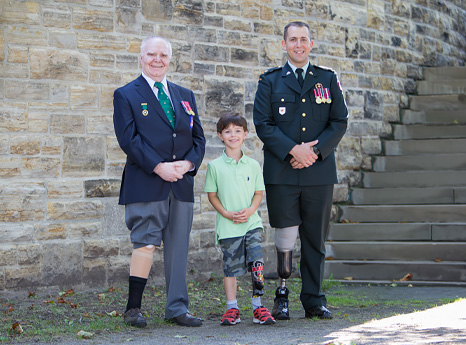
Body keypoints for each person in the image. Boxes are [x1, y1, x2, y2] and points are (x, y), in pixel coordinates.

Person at [253, 21, 348, 320]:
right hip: (282, 171)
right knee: (284, 234)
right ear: (283, 44)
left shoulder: (327, 79)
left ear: (310, 44)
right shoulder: (270, 81)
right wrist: (294, 150)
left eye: (303, 39)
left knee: (314, 238)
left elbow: (340, 122)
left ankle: (314, 300)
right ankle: (281, 296)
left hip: (318, 172)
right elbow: (262, 123)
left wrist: (314, 152)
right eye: (292, 39)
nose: (298, 44)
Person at [113, 36, 206, 328]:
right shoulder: (126, 94)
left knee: (178, 248)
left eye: (163, 55)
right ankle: (133, 308)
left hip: (181, 184)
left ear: (169, 59)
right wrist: (159, 167)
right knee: (145, 244)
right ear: (141, 58)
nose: (157, 60)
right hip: (146, 182)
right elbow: (129, 140)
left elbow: (199, 138)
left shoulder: (185, 94)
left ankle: (177, 308)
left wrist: (189, 163)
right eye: (151, 54)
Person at [204, 112, 276, 326]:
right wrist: (225, 213)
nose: (233, 135)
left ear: (245, 134)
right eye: (228, 131)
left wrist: (251, 210)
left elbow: (258, 193)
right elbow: (212, 195)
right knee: (231, 269)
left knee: (256, 265)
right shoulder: (215, 166)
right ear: (220, 135)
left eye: (237, 131)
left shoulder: (253, 165)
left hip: (251, 224)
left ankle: (258, 307)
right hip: (228, 226)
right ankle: (232, 308)